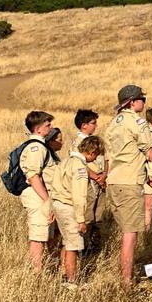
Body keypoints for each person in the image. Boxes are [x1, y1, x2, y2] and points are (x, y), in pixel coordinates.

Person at [105, 85, 152, 286]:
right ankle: (126, 279)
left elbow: (113, 156)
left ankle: (123, 272)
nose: (144, 102)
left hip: (114, 181)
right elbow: (150, 155)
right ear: (133, 102)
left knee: (125, 229)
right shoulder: (138, 122)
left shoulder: (112, 123)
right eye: (142, 98)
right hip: (129, 182)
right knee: (130, 233)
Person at [46, 135, 104, 286]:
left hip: (58, 205)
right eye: (96, 156)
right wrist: (81, 220)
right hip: (69, 207)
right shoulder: (80, 167)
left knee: (67, 241)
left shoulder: (65, 161)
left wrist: (52, 208)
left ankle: (63, 273)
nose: (95, 159)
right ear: (91, 153)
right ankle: (72, 280)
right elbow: (79, 196)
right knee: (74, 245)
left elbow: (54, 186)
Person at [19, 111, 58, 272]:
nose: (51, 127)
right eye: (48, 125)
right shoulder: (36, 147)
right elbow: (33, 176)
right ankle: (37, 272)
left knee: (45, 234)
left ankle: (45, 268)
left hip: (40, 195)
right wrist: (46, 200)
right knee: (38, 236)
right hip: (38, 196)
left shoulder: (40, 145)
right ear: (38, 129)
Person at [73, 109, 106, 227]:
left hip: (100, 181)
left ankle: (95, 242)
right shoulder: (78, 143)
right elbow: (79, 165)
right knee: (88, 215)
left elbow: (105, 159)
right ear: (84, 125)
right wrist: (97, 178)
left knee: (99, 215)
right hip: (88, 182)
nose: (96, 126)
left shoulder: (96, 141)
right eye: (93, 123)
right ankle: (85, 243)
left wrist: (104, 175)